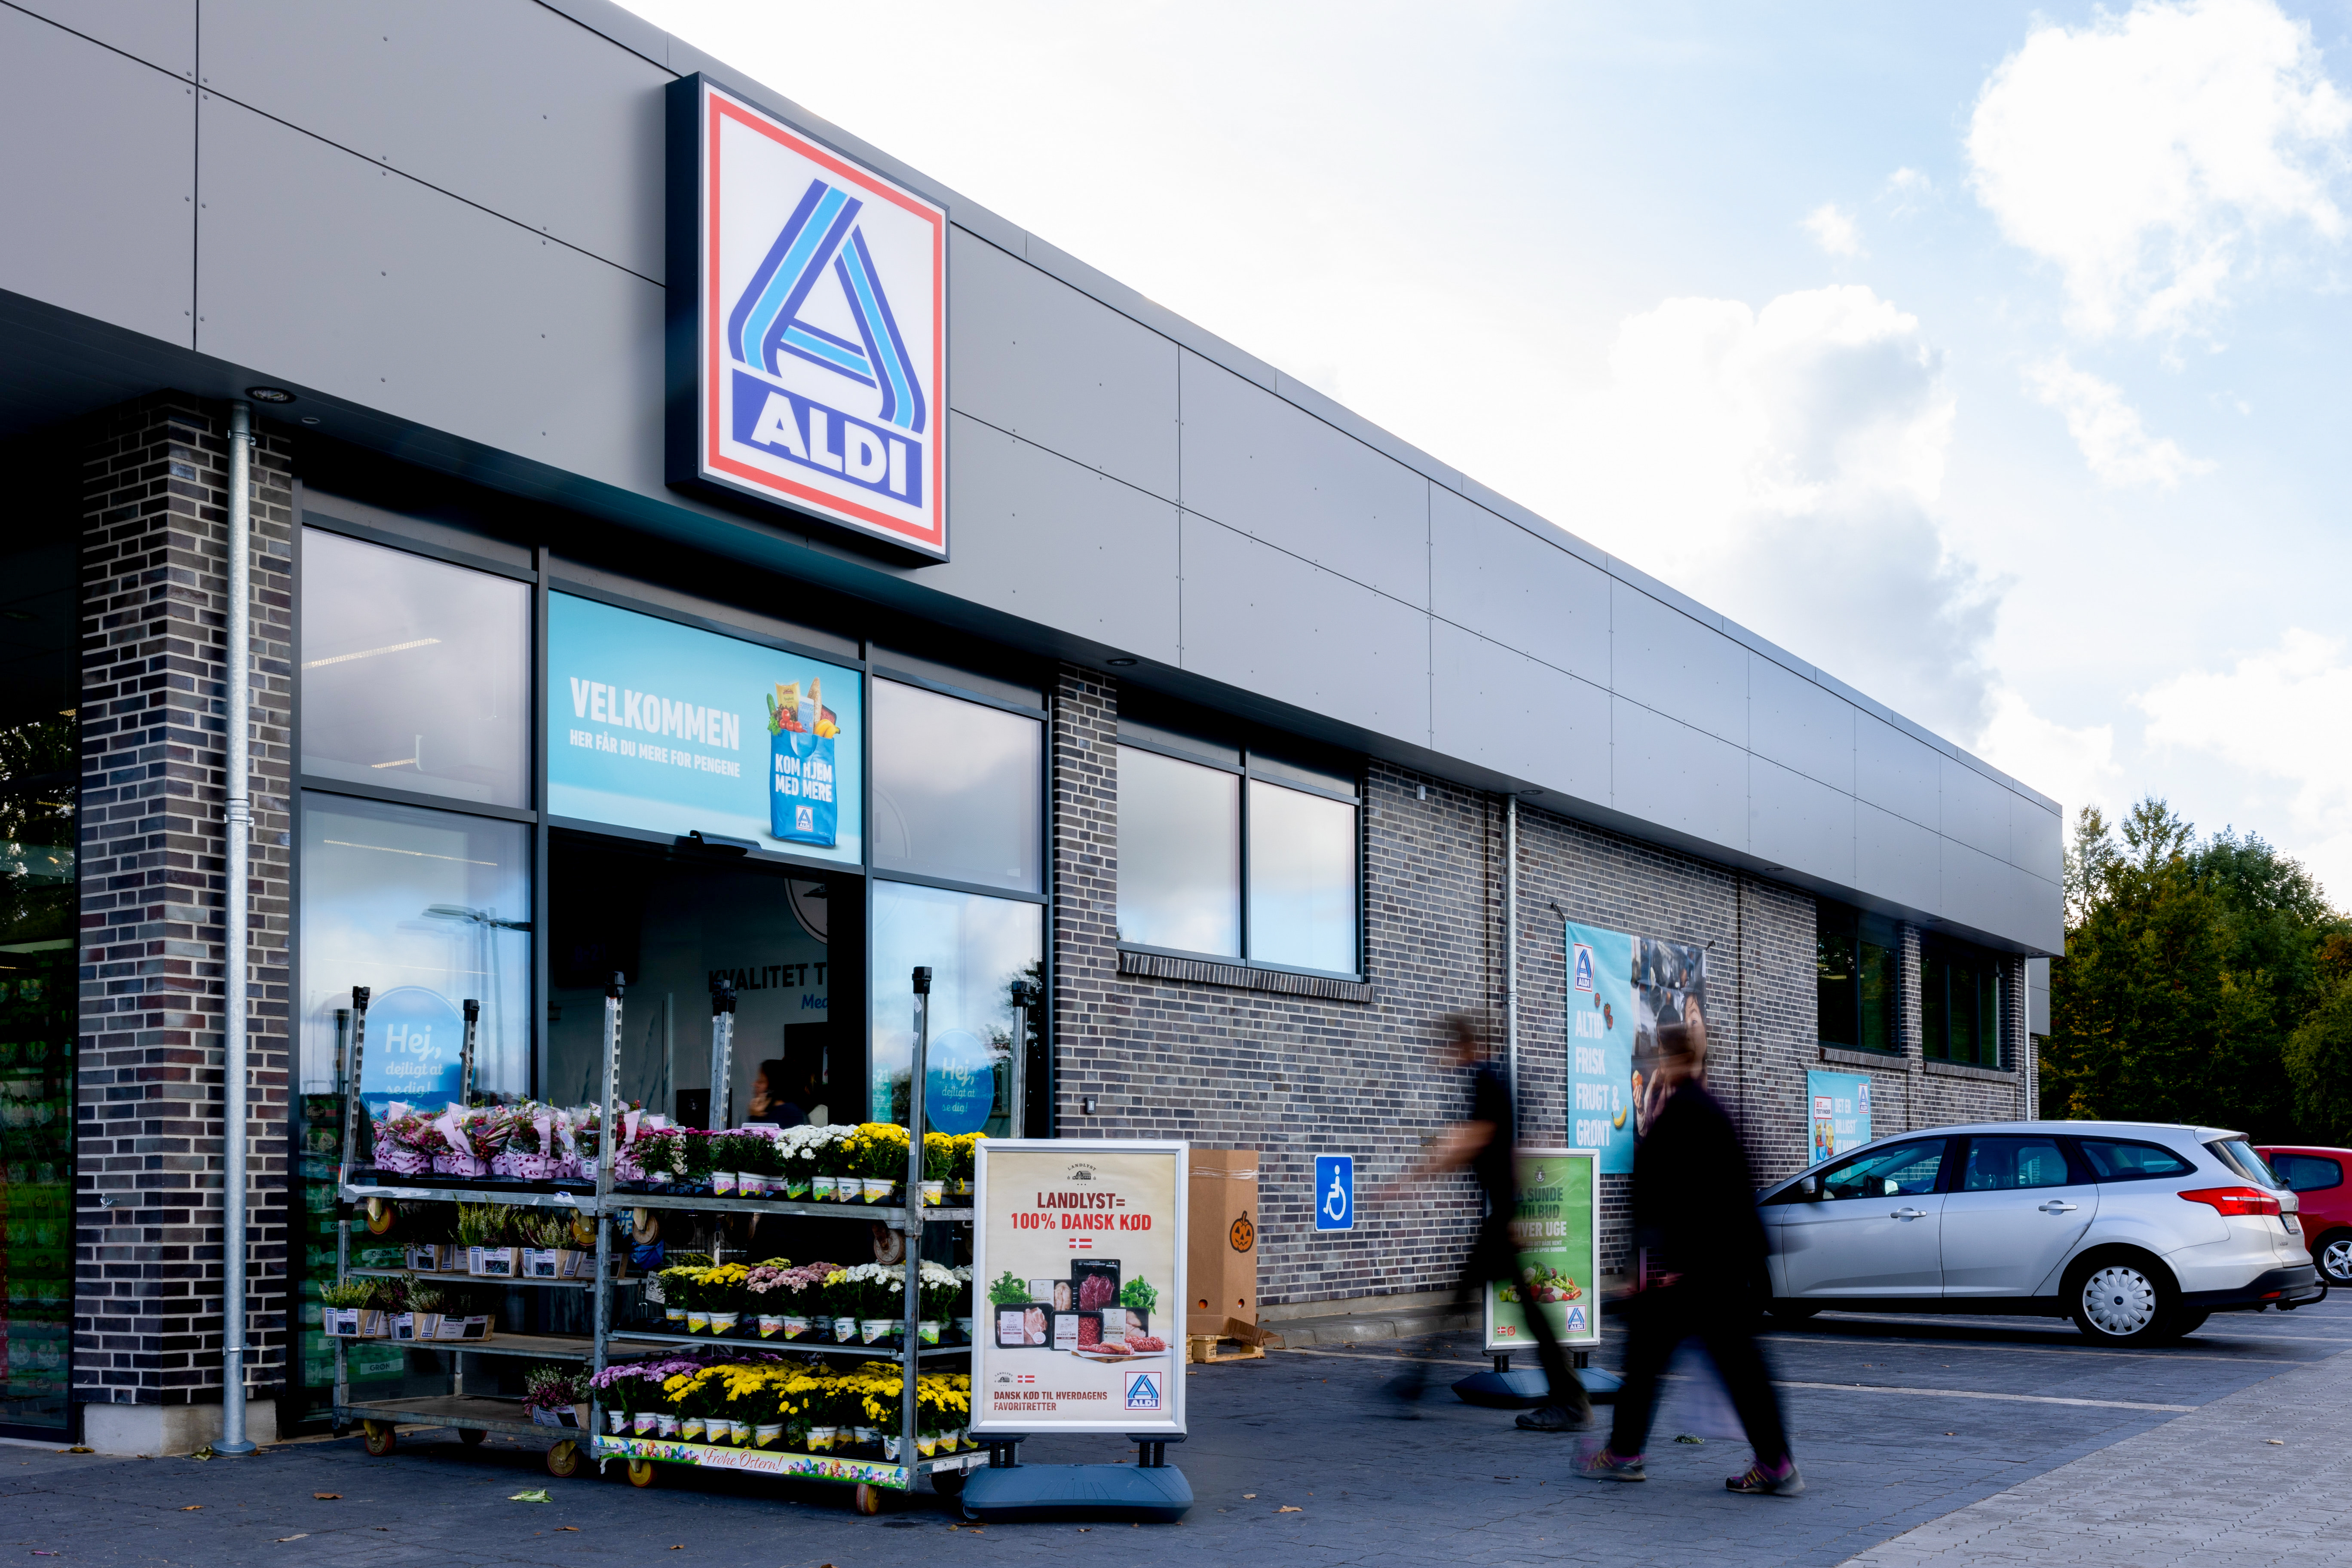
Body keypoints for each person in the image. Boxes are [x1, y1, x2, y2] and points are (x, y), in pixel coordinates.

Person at [1577, 1018, 1802, 1496]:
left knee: (1650, 1360)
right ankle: (1774, 1461)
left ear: (1675, 1059)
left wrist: (1649, 1265)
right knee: (1738, 1367)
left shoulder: (1681, 1114)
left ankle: (1625, 1452)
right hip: (1718, 1265)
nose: (1659, 1064)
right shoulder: (1715, 1109)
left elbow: (1660, 1196)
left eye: (1663, 1055)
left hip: (1687, 1271)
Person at [1381, 1013, 1593, 1432]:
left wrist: (1408, 1181)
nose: (1441, 1058)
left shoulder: (1485, 1079)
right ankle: (1413, 1383)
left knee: (1519, 1309)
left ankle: (1570, 1401)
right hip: (1505, 1213)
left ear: (1461, 1046)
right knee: (1465, 1299)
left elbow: (1476, 1139)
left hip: (1504, 1218)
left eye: (1445, 1049)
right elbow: (1511, 1143)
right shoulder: (1494, 1078)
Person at [745, 1058, 808, 1128]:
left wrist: (756, 1117)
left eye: (761, 1082)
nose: (754, 1085)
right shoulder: (768, 1110)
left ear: (773, 1087)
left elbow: (761, 1133)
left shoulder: (790, 1113)